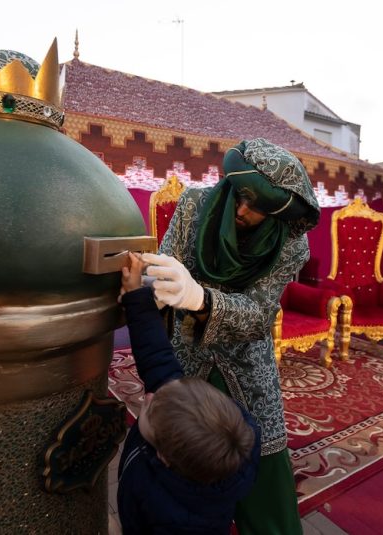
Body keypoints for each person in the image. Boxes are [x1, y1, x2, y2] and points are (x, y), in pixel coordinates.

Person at [141, 138, 320, 535]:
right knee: (181, 464)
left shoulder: (292, 242)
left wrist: (200, 297)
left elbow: (259, 316)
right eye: (241, 196)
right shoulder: (193, 204)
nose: (242, 210)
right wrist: (153, 285)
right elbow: (167, 263)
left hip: (248, 366)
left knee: (265, 472)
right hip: (186, 356)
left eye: (258, 207)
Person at [117, 252, 260, 535]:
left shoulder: (167, 514)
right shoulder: (176, 414)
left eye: (147, 412)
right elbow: (156, 355)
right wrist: (136, 295)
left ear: (164, 457)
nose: (149, 397)